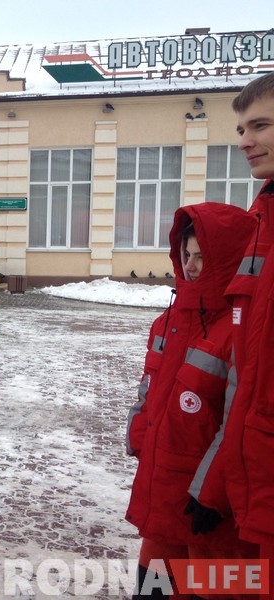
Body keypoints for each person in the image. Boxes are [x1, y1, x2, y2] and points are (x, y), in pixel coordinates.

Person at [124, 203, 257, 599]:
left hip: (209, 508)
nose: (193, 265)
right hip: (165, 493)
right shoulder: (169, 319)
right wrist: (138, 429)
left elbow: (237, 419)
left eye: (203, 256)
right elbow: (149, 387)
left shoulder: (239, 329)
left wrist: (211, 490)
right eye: (187, 255)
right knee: (151, 590)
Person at [198, 72, 274, 597]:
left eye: (261, 125)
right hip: (253, 469)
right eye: (242, 128)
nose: (244, 140)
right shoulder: (262, 225)